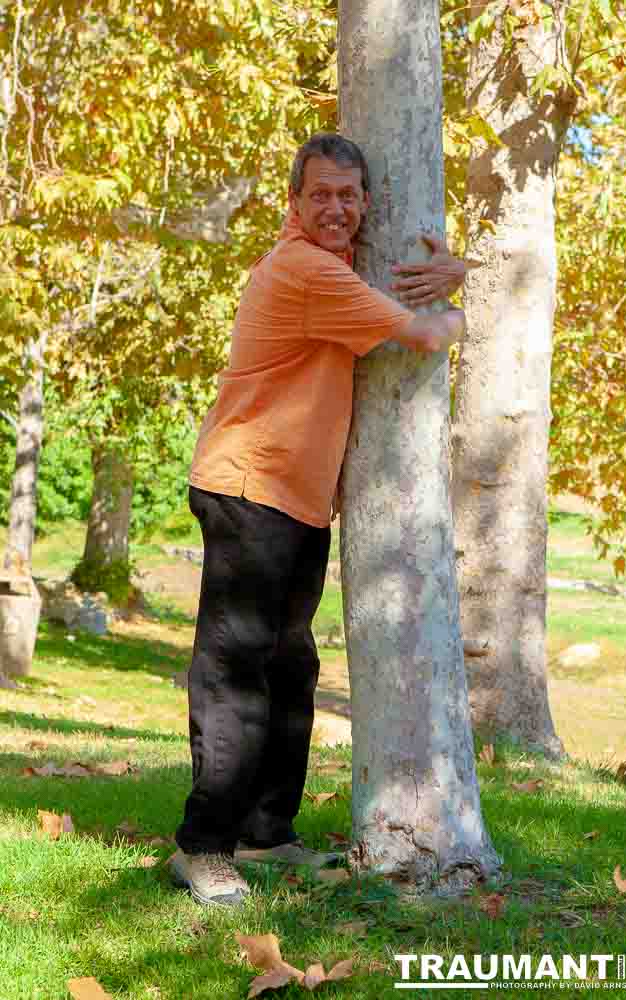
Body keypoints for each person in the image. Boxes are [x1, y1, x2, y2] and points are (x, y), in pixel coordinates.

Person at [170, 132, 467, 907]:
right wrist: (456, 290)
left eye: (348, 195)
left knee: (290, 666)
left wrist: (447, 275)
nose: (335, 208)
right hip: (249, 487)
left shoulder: (330, 268)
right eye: (320, 195)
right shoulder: (304, 270)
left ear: (365, 203)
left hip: (294, 497)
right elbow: (428, 335)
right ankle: (204, 847)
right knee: (236, 670)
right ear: (294, 205)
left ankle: (269, 832)